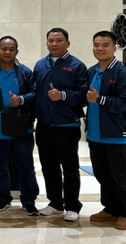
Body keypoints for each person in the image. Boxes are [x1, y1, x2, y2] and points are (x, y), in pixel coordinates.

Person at [33, 28, 88, 222]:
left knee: (70, 168)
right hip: (44, 125)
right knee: (49, 167)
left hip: (67, 125)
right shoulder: (40, 65)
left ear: (68, 43)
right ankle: (55, 203)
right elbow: (35, 92)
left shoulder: (77, 66)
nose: (54, 44)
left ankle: (72, 206)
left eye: (59, 40)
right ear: (46, 43)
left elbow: (85, 96)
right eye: (51, 40)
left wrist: (63, 95)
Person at [0, 36, 39, 216]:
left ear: (16, 51)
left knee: (26, 167)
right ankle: (3, 198)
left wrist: (21, 100)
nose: (7, 52)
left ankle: (28, 201)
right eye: (4, 48)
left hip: (22, 129)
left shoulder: (25, 73)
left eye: (11, 49)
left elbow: (34, 93)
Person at [86, 31, 126, 230]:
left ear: (114, 48)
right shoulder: (92, 71)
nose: (100, 48)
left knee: (121, 177)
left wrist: (99, 99)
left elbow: (125, 103)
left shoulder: (123, 73)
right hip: (96, 135)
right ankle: (110, 209)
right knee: (103, 176)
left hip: (117, 135)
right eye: (96, 44)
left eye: (105, 45)